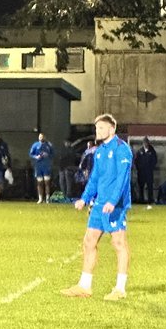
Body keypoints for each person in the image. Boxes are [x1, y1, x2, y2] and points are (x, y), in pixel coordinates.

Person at [62, 113, 133, 300]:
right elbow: (94, 179)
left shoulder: (122, 149)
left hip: (114, 205)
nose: (98, 131)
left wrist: (113, 201)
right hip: (99, 204)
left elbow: (122, 179)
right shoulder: (99, 151)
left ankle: (120, 289)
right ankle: (84, 286)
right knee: (88, 242)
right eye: (96, 128)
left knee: (119, 243)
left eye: (101, 128)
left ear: (112, 129)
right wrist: (84, 198)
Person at [29, 132, 55, 203]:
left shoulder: (49, 145)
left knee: (47, 182)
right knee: (39, 182)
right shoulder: (35, 145)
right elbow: (31, 154)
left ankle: (47, 198)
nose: (41, 138)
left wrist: (48, 155)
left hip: (46, 166)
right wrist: (36, 157)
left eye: (42, 136)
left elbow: (53, 154)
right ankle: (40, 198)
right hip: (38, 166)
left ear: (45, 137)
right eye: (40, 137)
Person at [135, 137, 158, 204]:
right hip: (141, 173)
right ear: (143, 143)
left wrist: (150, 168)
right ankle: (141, 200)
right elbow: (136, 161)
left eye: (146, 142)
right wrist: (139, 168)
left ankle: (150, 200)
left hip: (149, 172)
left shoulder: (152, 151)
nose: (145, 144)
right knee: (141, 186)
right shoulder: (140, 151)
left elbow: (154, 160)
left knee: (150, 186)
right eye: (144, 142)